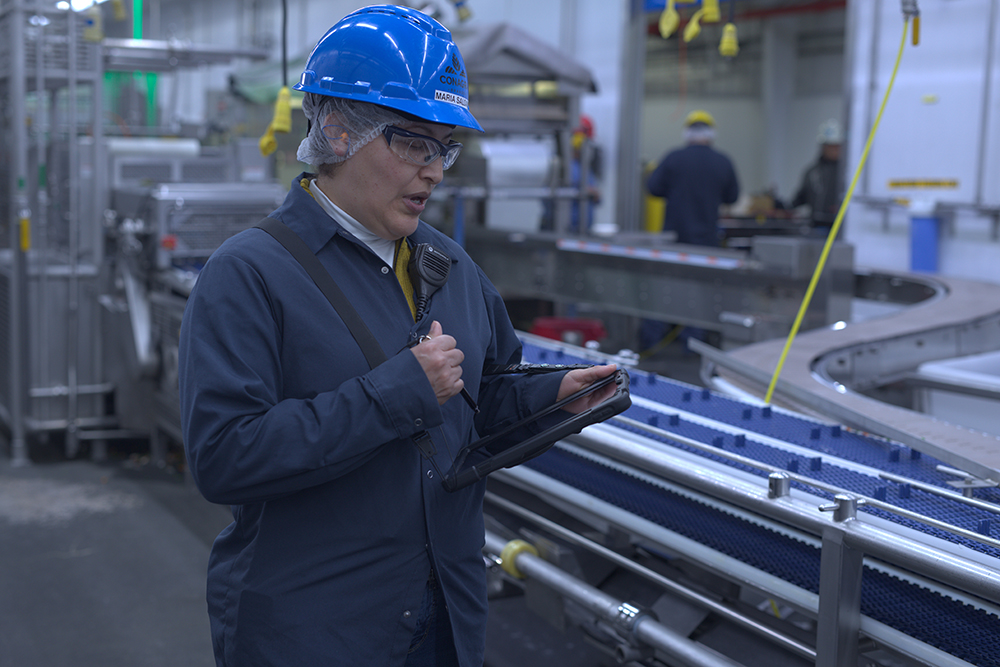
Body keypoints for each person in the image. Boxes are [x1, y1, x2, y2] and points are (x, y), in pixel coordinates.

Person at [177, 6, 616, 667]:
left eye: (445, 148)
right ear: (338, 129)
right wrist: (396, 392)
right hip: (319, 631)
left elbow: (475, 402)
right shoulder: (250, 273)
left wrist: (552, 398)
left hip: (445, 620)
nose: (436, 171)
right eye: (414, 143)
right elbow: (225, 457)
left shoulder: (451, 265)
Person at [646, 109, 740, 247]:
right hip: (708, 240)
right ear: (712, 133)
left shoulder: (673, 158)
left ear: (687, 133)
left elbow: (653, 188)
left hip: (675, 240)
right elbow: (732, 197)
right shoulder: (723, 162)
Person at [792, 118, 843, 236]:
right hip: (816, 228)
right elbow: (800, 198)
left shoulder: (847, 175)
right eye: (829, 146)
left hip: (840, 229)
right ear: (822, 146)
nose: (834, 150)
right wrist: (784, 208)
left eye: (836, 146)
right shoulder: (812, 172)